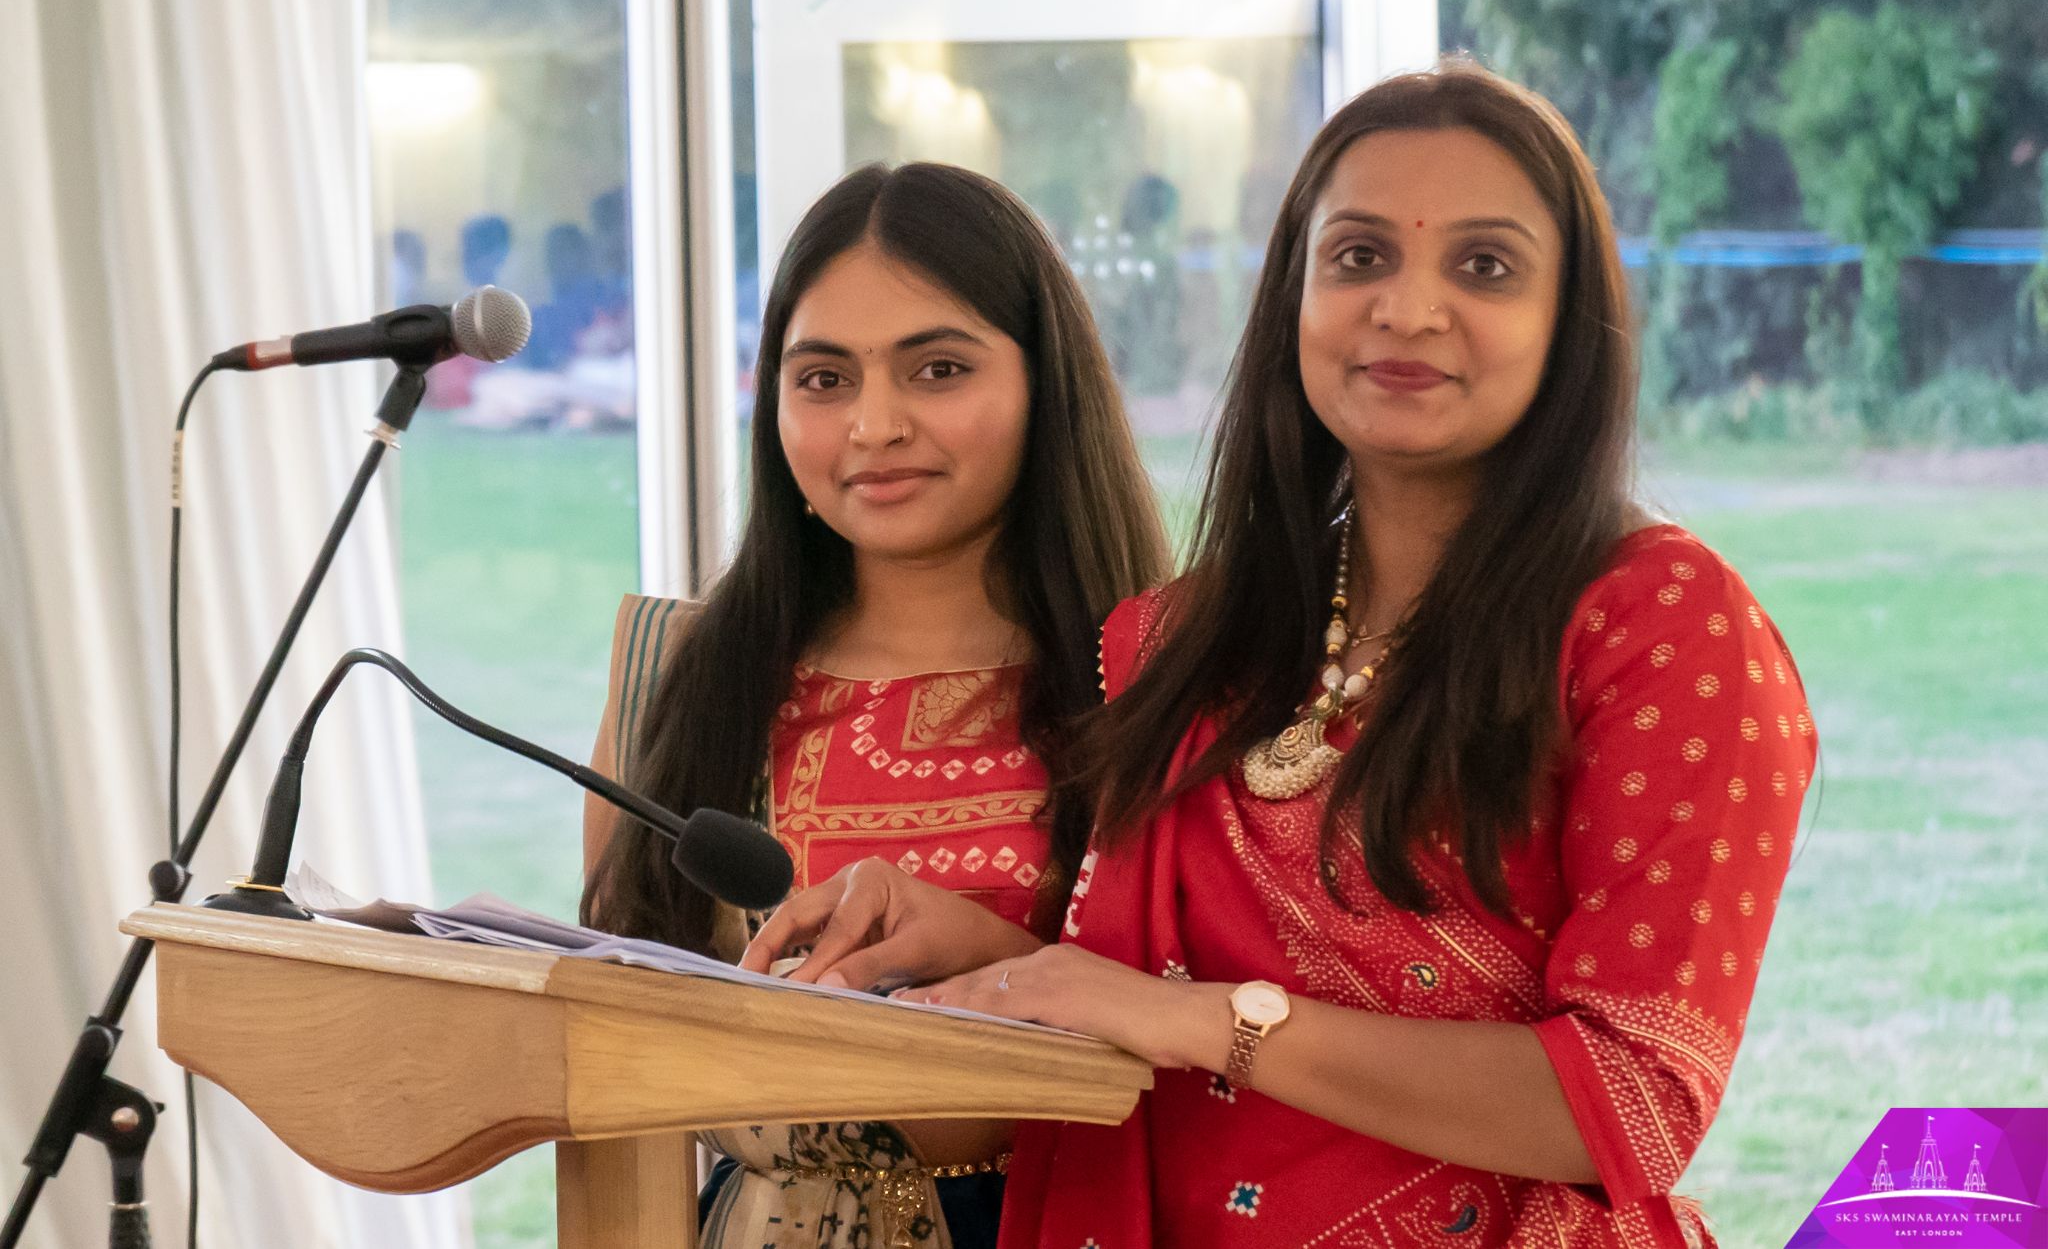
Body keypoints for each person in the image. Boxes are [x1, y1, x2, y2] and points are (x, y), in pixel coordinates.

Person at [745, 62, 1819, 1247]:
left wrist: (1218, 1025)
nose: (1406, 310)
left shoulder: (1661, 626)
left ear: (1568, 319)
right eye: (1357, 257)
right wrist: (995, 956)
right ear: (1290, 301)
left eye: (1483, 265)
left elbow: (1630, 1100)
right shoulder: (1198, 638)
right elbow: (1150, 1009)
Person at [580, 161, 1169, 1249]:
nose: (874, 425)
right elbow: (618, 1079)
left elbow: (1218, 1057)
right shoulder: (679, 665)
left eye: (936, 369)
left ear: (1048, 385)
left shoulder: (1168, 674)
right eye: (823, 379)